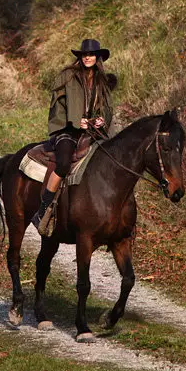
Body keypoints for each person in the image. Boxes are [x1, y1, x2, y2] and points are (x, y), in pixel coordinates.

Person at [32, 38, 116, 232]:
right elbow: (57, 105)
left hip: (93, 131)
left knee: (109, 160)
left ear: (97, 57)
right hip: (68, 130)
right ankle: (43, 210)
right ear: (80, 56)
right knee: (62, 164)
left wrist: (102, 119)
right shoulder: (68, 76)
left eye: (91, 54)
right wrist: (75, 120)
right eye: (84, 54)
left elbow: (107, 107)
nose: (88, 57)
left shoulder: (102, 80)